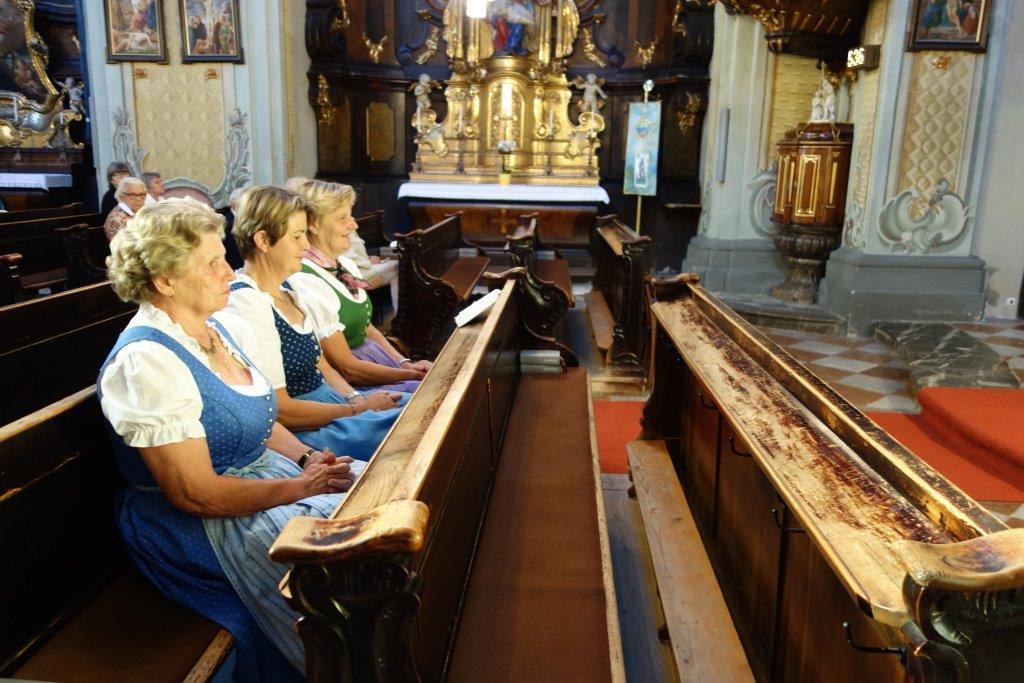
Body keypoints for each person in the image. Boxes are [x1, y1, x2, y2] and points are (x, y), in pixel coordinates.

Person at [99, 199, 358, 681]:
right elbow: (194, 492)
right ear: (165, 280)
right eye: (212, 263)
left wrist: (307, 457)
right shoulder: (146, 361)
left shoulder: (213, 328)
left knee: (370, 493)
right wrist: (298, 488)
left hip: (261, 483)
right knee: (340, 558)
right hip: (196, 522)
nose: (228, 272)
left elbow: (257, 416)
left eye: (224, 257)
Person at [224, 185, 409, 461]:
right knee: (410, 429)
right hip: (306, 425)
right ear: (263, 240)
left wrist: (357, 399)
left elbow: (321, 365)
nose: (306, 245)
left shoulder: (289, 289)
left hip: (333, 404)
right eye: (297, 236)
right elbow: (280, 409)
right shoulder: (247, 302)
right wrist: (357, 410)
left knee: (422, 404)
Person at [289, 179, 428, 392]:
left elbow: (367, 327)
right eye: (342, 218)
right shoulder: (305, 279)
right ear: (313, 225)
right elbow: (347, 369)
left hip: (375, 362)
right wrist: (412, 375)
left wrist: (405, 363)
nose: (354, 225)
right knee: (426, 391)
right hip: (351, 382)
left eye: (351, 216)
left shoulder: (345, 264)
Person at [103, 176, 148, 242]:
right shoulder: (117, 219)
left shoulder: (141, 211)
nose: (138, 199)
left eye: (142, 194)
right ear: (121, 197)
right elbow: (125, 246)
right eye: (132, 195)